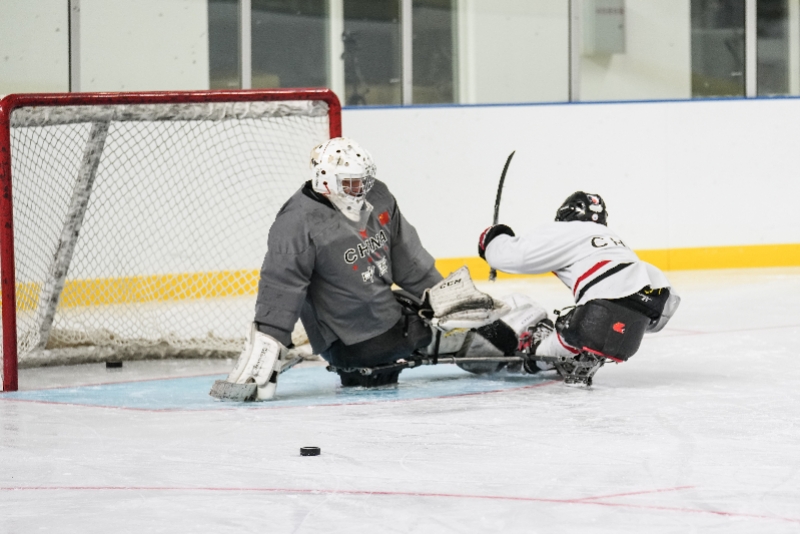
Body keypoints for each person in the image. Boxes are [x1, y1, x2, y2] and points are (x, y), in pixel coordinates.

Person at [217, 137, 444, 400]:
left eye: (364, 180)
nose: (361, 189)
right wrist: (267, 348)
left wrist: (446, 297)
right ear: (325, 180)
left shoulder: (378, 196)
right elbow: (281, 290)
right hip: (352, 345)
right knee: (463, 333)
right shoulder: (297, 222)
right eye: (351, 183)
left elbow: (410, 263)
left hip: (386, 321)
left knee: (451, 316)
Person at [478, 191, 680, 386]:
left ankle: (540, 355)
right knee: (596, 323)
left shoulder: (567, 230)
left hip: (606, 296)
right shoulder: (611, 238)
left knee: (562, 325)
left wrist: (493, 238)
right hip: (653, 299)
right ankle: (581, 345)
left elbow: (515, 256)